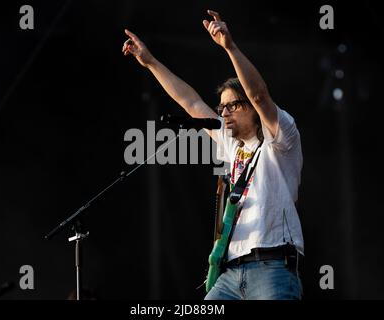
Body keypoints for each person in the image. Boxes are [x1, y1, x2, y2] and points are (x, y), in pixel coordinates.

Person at [122, 10, 304, 300]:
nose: (224, 113)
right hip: (231, 272)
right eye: (222, 108)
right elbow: (190, 101)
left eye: (232, 105)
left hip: (272, 267)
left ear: (252, 111)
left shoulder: (280, 138)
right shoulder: (231, 143)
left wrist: (229, 47)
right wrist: (150, 63)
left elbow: (259, 95)